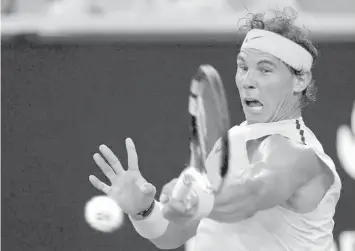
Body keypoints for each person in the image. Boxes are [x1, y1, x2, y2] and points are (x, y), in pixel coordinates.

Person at [89, 8, 341, 251]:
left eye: (265, 70)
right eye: (243, 67)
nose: (248, 81)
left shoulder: (300, 155)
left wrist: (200, 199)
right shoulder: (232, 140)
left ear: (300, 80)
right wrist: (143, 210)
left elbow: (252, 193)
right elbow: (171, 235)